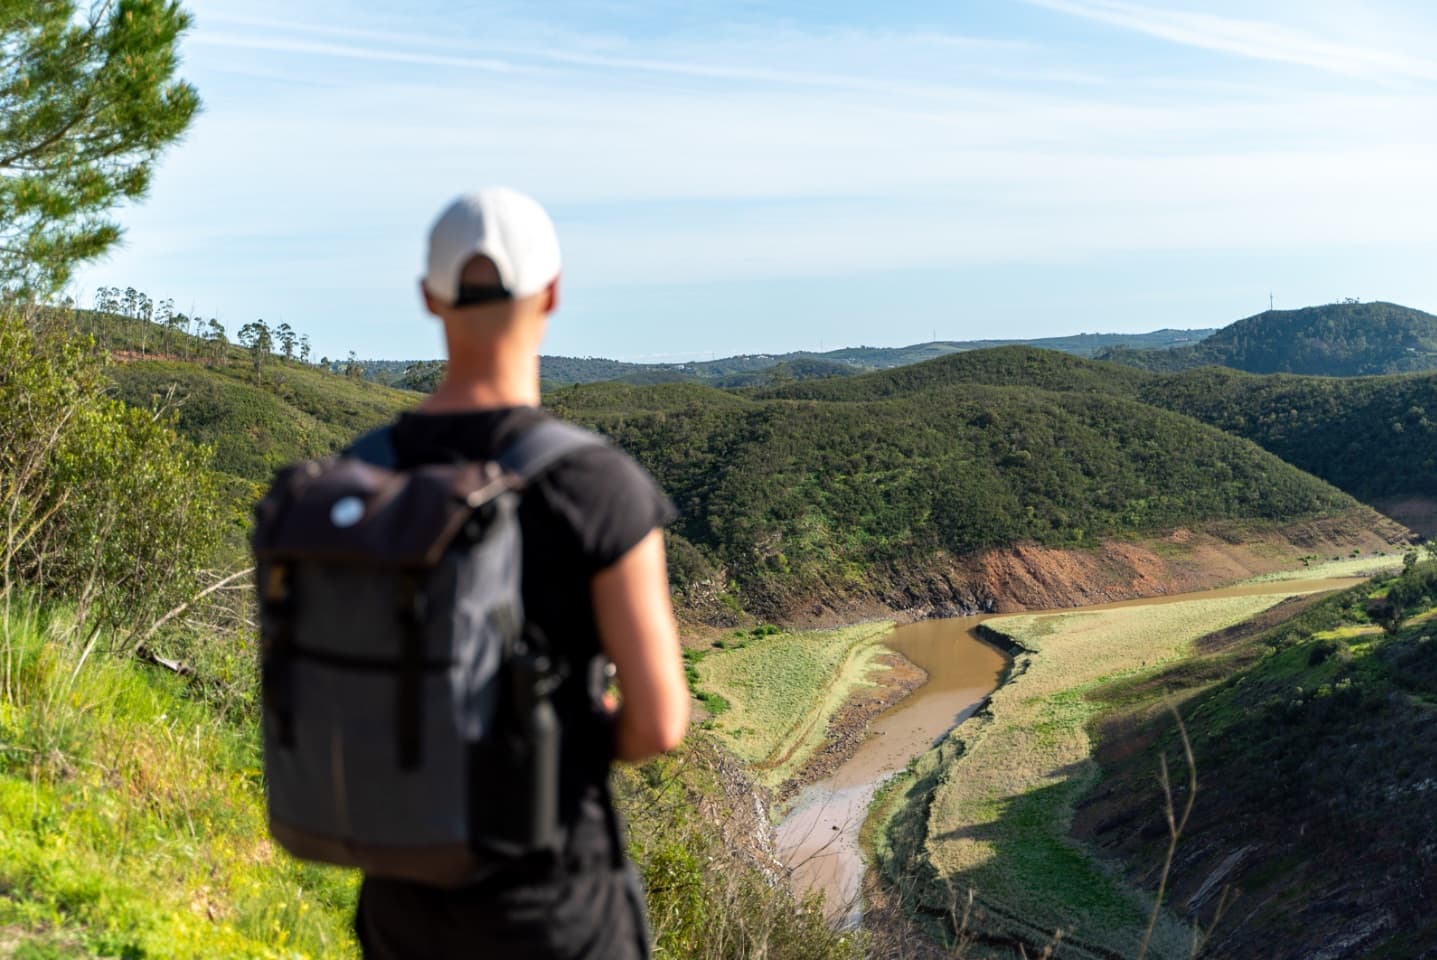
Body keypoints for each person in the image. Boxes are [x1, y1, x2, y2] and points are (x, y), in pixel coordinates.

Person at [353, 188, 691, 959]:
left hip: (400, 896)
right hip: (554, 904)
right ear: (553, 292)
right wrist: (558, 730)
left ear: (428, 299)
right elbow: (659, 721)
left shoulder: (362, 473)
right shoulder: (593, 484)